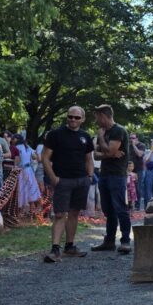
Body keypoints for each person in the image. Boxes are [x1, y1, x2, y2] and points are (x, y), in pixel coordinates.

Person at [41, 105, 95, 262]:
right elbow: (45, 158)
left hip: (81, 180)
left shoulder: (85, 136)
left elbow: (89, 159)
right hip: (62, 180)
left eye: (77, 117)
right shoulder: (55, 134)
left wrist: (90, 176)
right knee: (59, 214)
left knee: (74, 213)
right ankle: (55, 249)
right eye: (70, 116)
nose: (73, 119)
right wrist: (53, 178)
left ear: (82, 119)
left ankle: (70, 247)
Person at [91, 104, 132, 254]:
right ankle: (109, 241)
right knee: (108, 210)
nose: (96, 120)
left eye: (97, 117)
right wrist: (108, 153)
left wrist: (102, 139)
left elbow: (108, 151)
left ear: (103, 116)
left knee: (120, 208)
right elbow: (96, 155)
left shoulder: (118, 131)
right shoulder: (104, 131)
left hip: (117, 175)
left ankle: (125, 241)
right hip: (104, 175)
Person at [14, 136, 41, 215]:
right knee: (31, 187)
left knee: (22, 188)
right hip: (29, 170)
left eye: (13, 138)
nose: (12, 140)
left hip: (21, 170)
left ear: (17, 139)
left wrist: (15, 166)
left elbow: (17, 160)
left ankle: (23, 210)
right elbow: (34, 157)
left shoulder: (17, 147)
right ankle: (33, 209)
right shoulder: (27, 147)